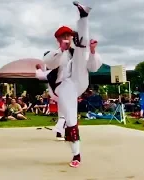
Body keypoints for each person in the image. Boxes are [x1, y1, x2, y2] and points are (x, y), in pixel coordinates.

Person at [42, 1, 101, 168]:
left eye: (68, 36)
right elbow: (49, 63)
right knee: (70, 119)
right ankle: (76, 153)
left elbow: (93, 67)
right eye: (63, 37)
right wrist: (61, 50)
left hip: (79, 81)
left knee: (82, 50)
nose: (66, 39)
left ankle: (84, 16)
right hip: (63, 86)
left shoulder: (78, 51)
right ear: (57, 39)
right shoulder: (53, 53)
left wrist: (93, 51)